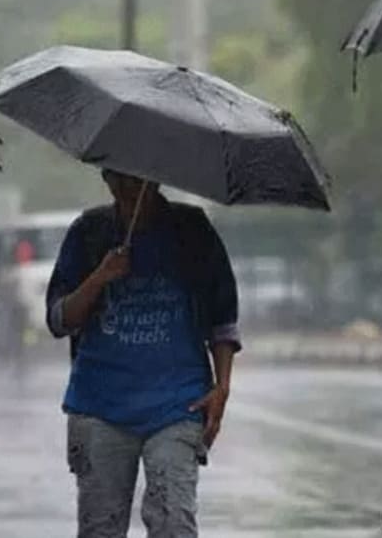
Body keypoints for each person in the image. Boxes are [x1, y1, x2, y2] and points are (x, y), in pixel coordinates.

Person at [46, 169, 240, 538]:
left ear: (157, 179)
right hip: (99, 407)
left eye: (138, 179)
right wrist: (100, 276)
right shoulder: (89, 232)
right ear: (105, 177)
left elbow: (223, 318)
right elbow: (59, 319)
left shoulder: (192, 231)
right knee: (100, 528)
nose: (128, 188)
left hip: (178, 405)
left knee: (175, 523)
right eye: (117, 178)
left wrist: (223, 387)